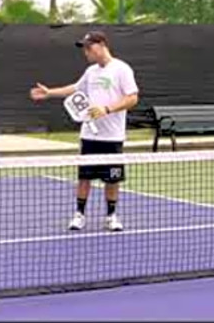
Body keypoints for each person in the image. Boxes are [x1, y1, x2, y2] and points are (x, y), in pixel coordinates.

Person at [30, 31, 139, 231]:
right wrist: (49, 93)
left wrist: (107, 109)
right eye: (84, 48)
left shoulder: (122, 69)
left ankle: (111, 216)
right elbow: (75, 88)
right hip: (89, 135)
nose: (86, 52)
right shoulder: (91, 72)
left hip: (113, 137)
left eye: (89, 47)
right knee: (84, 178)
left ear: (101, 45)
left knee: (112, 179)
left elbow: (132, 98)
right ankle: (79, 215)